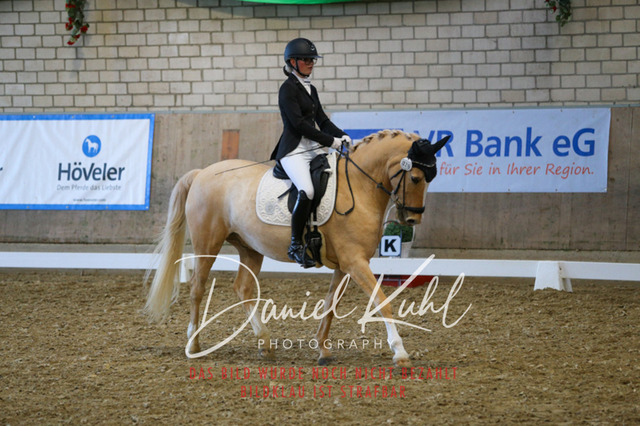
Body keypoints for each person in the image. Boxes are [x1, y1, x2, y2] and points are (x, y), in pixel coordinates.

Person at [269, 37, 351, 267]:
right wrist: (331, 141)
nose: (311, 63)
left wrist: (342, 135)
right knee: (307, 190)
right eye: (306, 59)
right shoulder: (287, 89)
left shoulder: (310, 88)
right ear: (292, 62)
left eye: (313, 59)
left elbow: (322, 120)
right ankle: (295, 244)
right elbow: (299, 126)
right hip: (293, 151)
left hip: (312, 149)